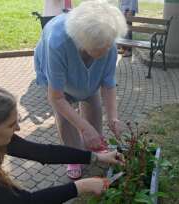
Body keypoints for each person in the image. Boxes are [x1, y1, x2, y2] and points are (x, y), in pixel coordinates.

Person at [34, 1, 127, 179]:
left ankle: (95, 148)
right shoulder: (58, 42)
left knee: (93, 104)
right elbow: (57, 98)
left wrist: (114, 117)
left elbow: (108, 83)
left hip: (86, 77)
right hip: (59, 81)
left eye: (109, 44)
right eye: (101, 47)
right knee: (66, 116)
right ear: (83, 42)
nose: (107, 50)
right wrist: (84, 128)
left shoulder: (108, 41)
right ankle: (74, 156)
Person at [0, 85, 124, 204]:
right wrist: (81, 186)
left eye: (17, 120)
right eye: (11, 124)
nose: (18, 128)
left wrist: (97, 157)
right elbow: (25, 202)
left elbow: (44, 153)